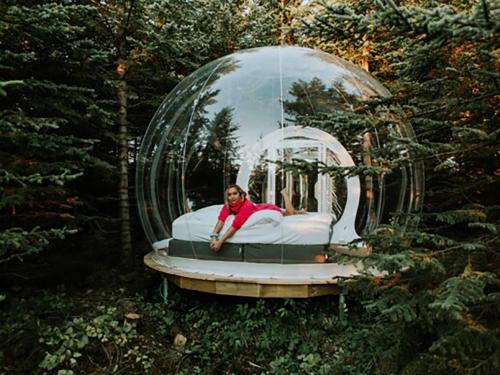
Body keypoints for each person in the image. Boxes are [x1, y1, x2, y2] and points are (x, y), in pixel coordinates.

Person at [209, 184, 303, 252]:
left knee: (289, 213)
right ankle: (298, 212)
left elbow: (235, 225)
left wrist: (220, 242)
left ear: (241, 195)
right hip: (256, 206)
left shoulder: (246, 206)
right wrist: (214, 237)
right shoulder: (228, 205)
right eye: (229, 195)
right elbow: (221, 220)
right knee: (291, 212)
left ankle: (284, 193)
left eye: (235, 193)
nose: (232, 197)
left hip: (265, 208)